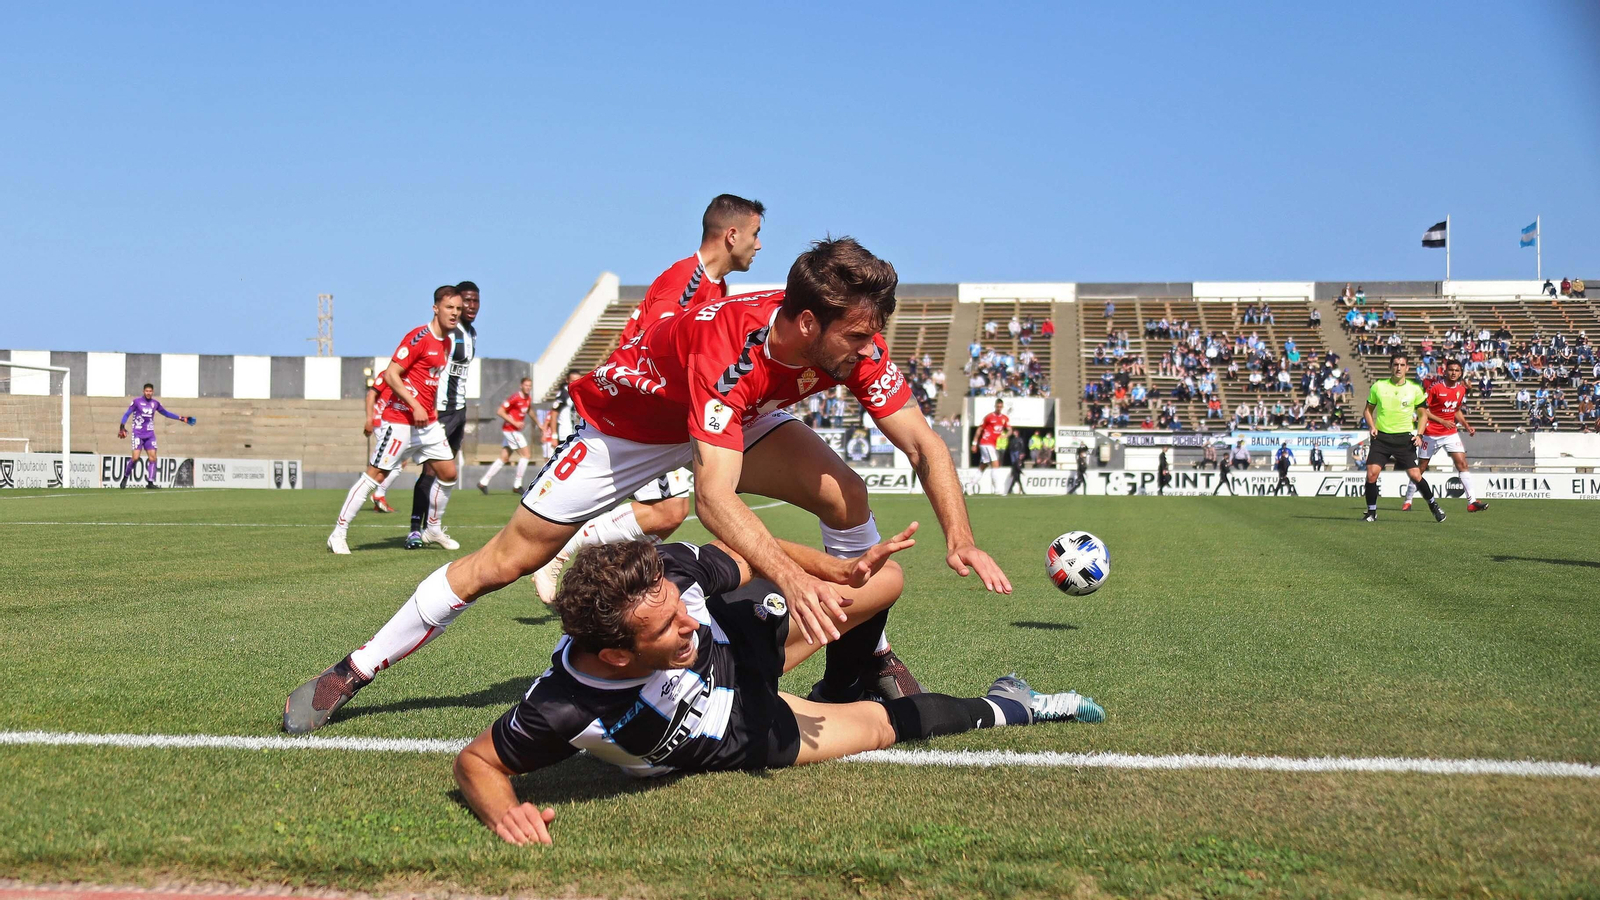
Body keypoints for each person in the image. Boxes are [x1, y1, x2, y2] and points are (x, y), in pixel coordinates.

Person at [286, 238, 1012, 733]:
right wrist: (793, 578)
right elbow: (713, 500)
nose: (868, 350)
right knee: (505, 564)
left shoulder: (852, 340)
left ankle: (857, 663)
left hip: (731, 419)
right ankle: (353, 670)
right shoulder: (731, 345)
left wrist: (962, 537)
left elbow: (921, 440)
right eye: (855, 336)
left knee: (846, 496)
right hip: (625, 428)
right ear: (803, 321)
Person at [453, 536, 1102, 845]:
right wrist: (499, 808)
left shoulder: (673, 580)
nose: (687, 623)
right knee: (878, 728)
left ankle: (854, 671)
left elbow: (750, 553)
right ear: (617, 654)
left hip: (744, 647)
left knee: (886, 580)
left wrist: (829, 571)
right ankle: (1014, 702)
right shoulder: (566, 705)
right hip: (737, 734)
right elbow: (477, 761)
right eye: (668, 628)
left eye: (682, 607)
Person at [533, 196, 765, 602]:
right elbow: (659, 341)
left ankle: (602, 575)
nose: (759, 245)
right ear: (732, 235)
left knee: (669, 515)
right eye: (756, 234)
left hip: (669, 416)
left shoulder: (718, 285)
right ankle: (560, 553)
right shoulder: (686, 279)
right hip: (638, 410)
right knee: (670, 512)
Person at [327, 287, 462, 555]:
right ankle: (338, 533)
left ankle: (432, 529)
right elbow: (391, 375)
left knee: (448, 473)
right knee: (376, 475)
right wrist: (414, 405)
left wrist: (426, 408)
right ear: (436, 308)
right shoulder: (418, 338)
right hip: (400, 420)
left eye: (458, 309)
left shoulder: (448, 342)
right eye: (449, 307)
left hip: (427, 424)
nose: (455, 313)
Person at [407, 281, 479, 551]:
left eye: (475, 302)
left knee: (446, 473)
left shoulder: (471, 334)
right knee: (429, 470)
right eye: (466, 302)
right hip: (439, 410)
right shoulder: (447, 333)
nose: (471, 307)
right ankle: (415, 529)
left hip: (459, 411)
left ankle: (432, 528)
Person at [1361, 352, 1445, 523]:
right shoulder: (1378, 386)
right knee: (1371, 475)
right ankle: (1371, 512)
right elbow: (1367, 411)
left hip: (1404, 439)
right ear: (1390, 366)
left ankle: (1433, 505)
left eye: (1402, 365)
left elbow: (1423, 415)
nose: (1398, 368)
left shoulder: (1414, 389)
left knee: (1416, 475)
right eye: (1395, 364)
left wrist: (1420, 434)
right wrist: (1372, 426)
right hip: (1382, 438)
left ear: (1407, 368)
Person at [1403, 358, 1487, 513]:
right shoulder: (1435, 388)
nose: (1453, 373)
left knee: (1462, 463)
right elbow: (1423, 410)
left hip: (1450, 433)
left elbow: (1456, 410)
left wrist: (1467, 425)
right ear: (1445, 371)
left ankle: (1472, 501)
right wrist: (1442, 421)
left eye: (1457, 370)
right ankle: (1408, 500)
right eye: (1451, 370)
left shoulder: (1461, 390)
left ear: (1461, 372)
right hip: (1430, 433)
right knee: (1420, 468)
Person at [116, 383, 194, 488]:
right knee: (135, 458)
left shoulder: (155, 403)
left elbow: (166, 413)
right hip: (138, 434)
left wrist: (181, 418)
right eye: (146, 391)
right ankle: (125, 477)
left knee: (153, 458)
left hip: (150, 435)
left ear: (153, 392)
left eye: (150, 391)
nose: (148, 393)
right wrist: (122, 426)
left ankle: (150, 482)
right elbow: (127, 414)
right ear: (143, 391)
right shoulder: (137, 402)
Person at [478, 377, 535, 493]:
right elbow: (500, 411)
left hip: (514, 431)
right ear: (521, 386)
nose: (528, 388)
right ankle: (517, 484)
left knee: (504, 458)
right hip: (510, 430)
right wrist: (515, 422)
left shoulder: (528, 398)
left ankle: (483, 482)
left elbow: (529, 410)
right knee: (526, 455)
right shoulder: (515, 397)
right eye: (526, 385)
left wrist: (539, 424)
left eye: (530, 386)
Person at [363, 377, 402, 512]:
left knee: (396, 463)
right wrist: (370, 420)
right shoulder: (388, 374)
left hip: (395, 422)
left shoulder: (409, 375)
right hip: (383, 423)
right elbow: (371, 395)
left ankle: (378, 497)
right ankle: (378, 495)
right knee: (395, 464)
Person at [970, 398, 1008, 494]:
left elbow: (1010, 429)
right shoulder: (989, 417)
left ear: (1002, 407)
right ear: (995, 406)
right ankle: (997, 490)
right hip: (986, 443)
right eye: (997, 406)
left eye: (1000, 406)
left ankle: (970, 486)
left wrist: (1006, 435)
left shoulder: (1004, 418)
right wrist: (974, 443)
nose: (999, 408)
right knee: (995, 464)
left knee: (984, 465)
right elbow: (979, 429)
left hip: (992, 444)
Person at [1003, 429, 1028, 495]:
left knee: (1015, 480)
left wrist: (1021, 452)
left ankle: (1010, 490)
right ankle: (1018, 491)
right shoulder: (1012, 439)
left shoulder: (1020, 439)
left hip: (1017, 451)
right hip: (1013, 451)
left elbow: (1022, 446)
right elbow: (1010, 445)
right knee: (1015, 463)